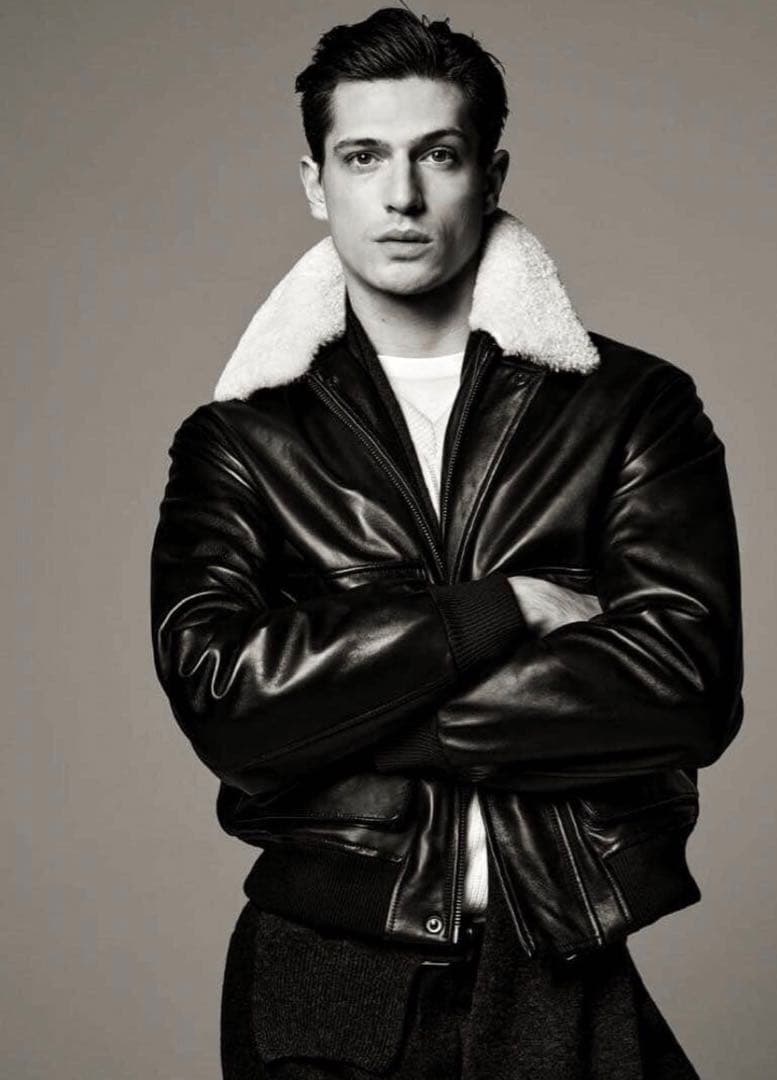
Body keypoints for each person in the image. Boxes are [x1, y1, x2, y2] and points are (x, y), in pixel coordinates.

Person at [150, 7, 744, 1077]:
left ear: (491, 172)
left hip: (558, 957)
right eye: (362, 157)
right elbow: (224, 701)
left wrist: (347, 718)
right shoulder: (241, 439)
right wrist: (499, 611)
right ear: (314, 182)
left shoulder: (629, 407)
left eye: (438, 154)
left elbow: (687, 683)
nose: (401, 195)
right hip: (321, 976)